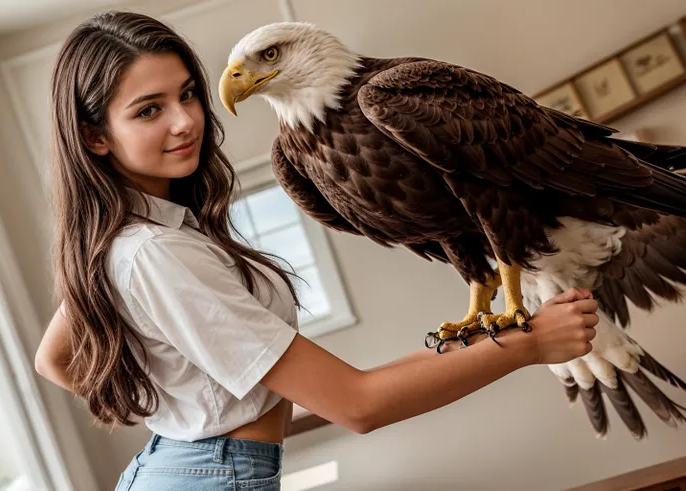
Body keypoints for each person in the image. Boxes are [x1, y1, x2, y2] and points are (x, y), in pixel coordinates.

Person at [34, 10, 599, 491]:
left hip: (182, 468)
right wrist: (529, 345)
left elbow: (53, 359)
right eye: (148, 110)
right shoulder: (155, 251)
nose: (187, 121)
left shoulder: (136, 234)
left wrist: (187, 409)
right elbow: (357, 404)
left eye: (186, 94)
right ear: (94, 136)